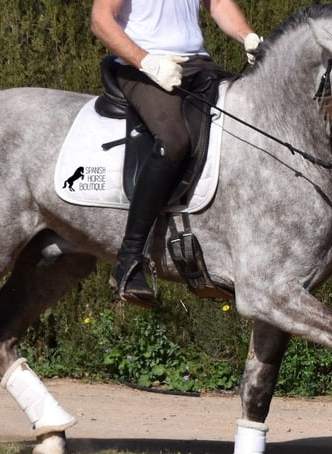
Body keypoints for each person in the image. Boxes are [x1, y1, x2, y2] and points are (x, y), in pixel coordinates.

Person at [91, 0, 261, 308]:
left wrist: (248, 36)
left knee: (244, 126)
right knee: (175, 140)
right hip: (140, 69)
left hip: (197, 66)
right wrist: (148, 62)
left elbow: (219, 3)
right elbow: (101, 21)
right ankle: (129, 261)